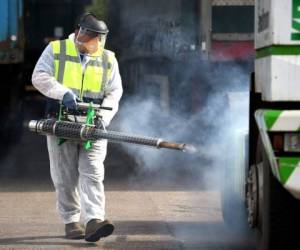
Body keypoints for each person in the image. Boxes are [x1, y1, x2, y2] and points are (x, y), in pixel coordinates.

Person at [32, 13, 123, 242]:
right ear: (78, 31)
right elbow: (39, 76)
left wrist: (103, 116)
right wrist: (62, 93)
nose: (94, 42)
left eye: (98, 38)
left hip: (94, 125)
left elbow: (114, 91)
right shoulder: (56, 49)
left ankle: (94, 220)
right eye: (90, 36)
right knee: (65, 175)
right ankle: (71, 221)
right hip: (62, 123)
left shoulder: (108, 58)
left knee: (92, 172)